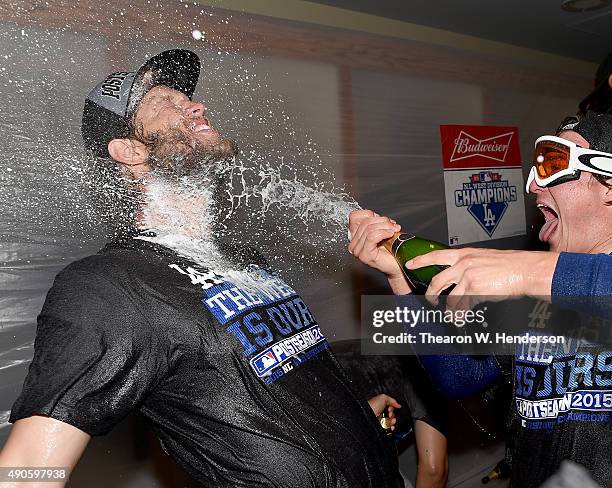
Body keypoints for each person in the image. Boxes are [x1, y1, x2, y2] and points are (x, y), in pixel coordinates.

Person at [0, 49, 404, 488]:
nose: (196, 105)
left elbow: (268, 383)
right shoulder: (109, 286)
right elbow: (22, 474)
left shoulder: (244, 259)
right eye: (164, 102)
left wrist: (353, 419)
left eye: (187, 97)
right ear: (130, 150)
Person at [348, 111, 612, 487]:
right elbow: (460, 378)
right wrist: (400, 282)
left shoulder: (532, 278)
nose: (533, 186)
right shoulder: (535, 297)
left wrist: (525, 270)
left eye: (553, 162)